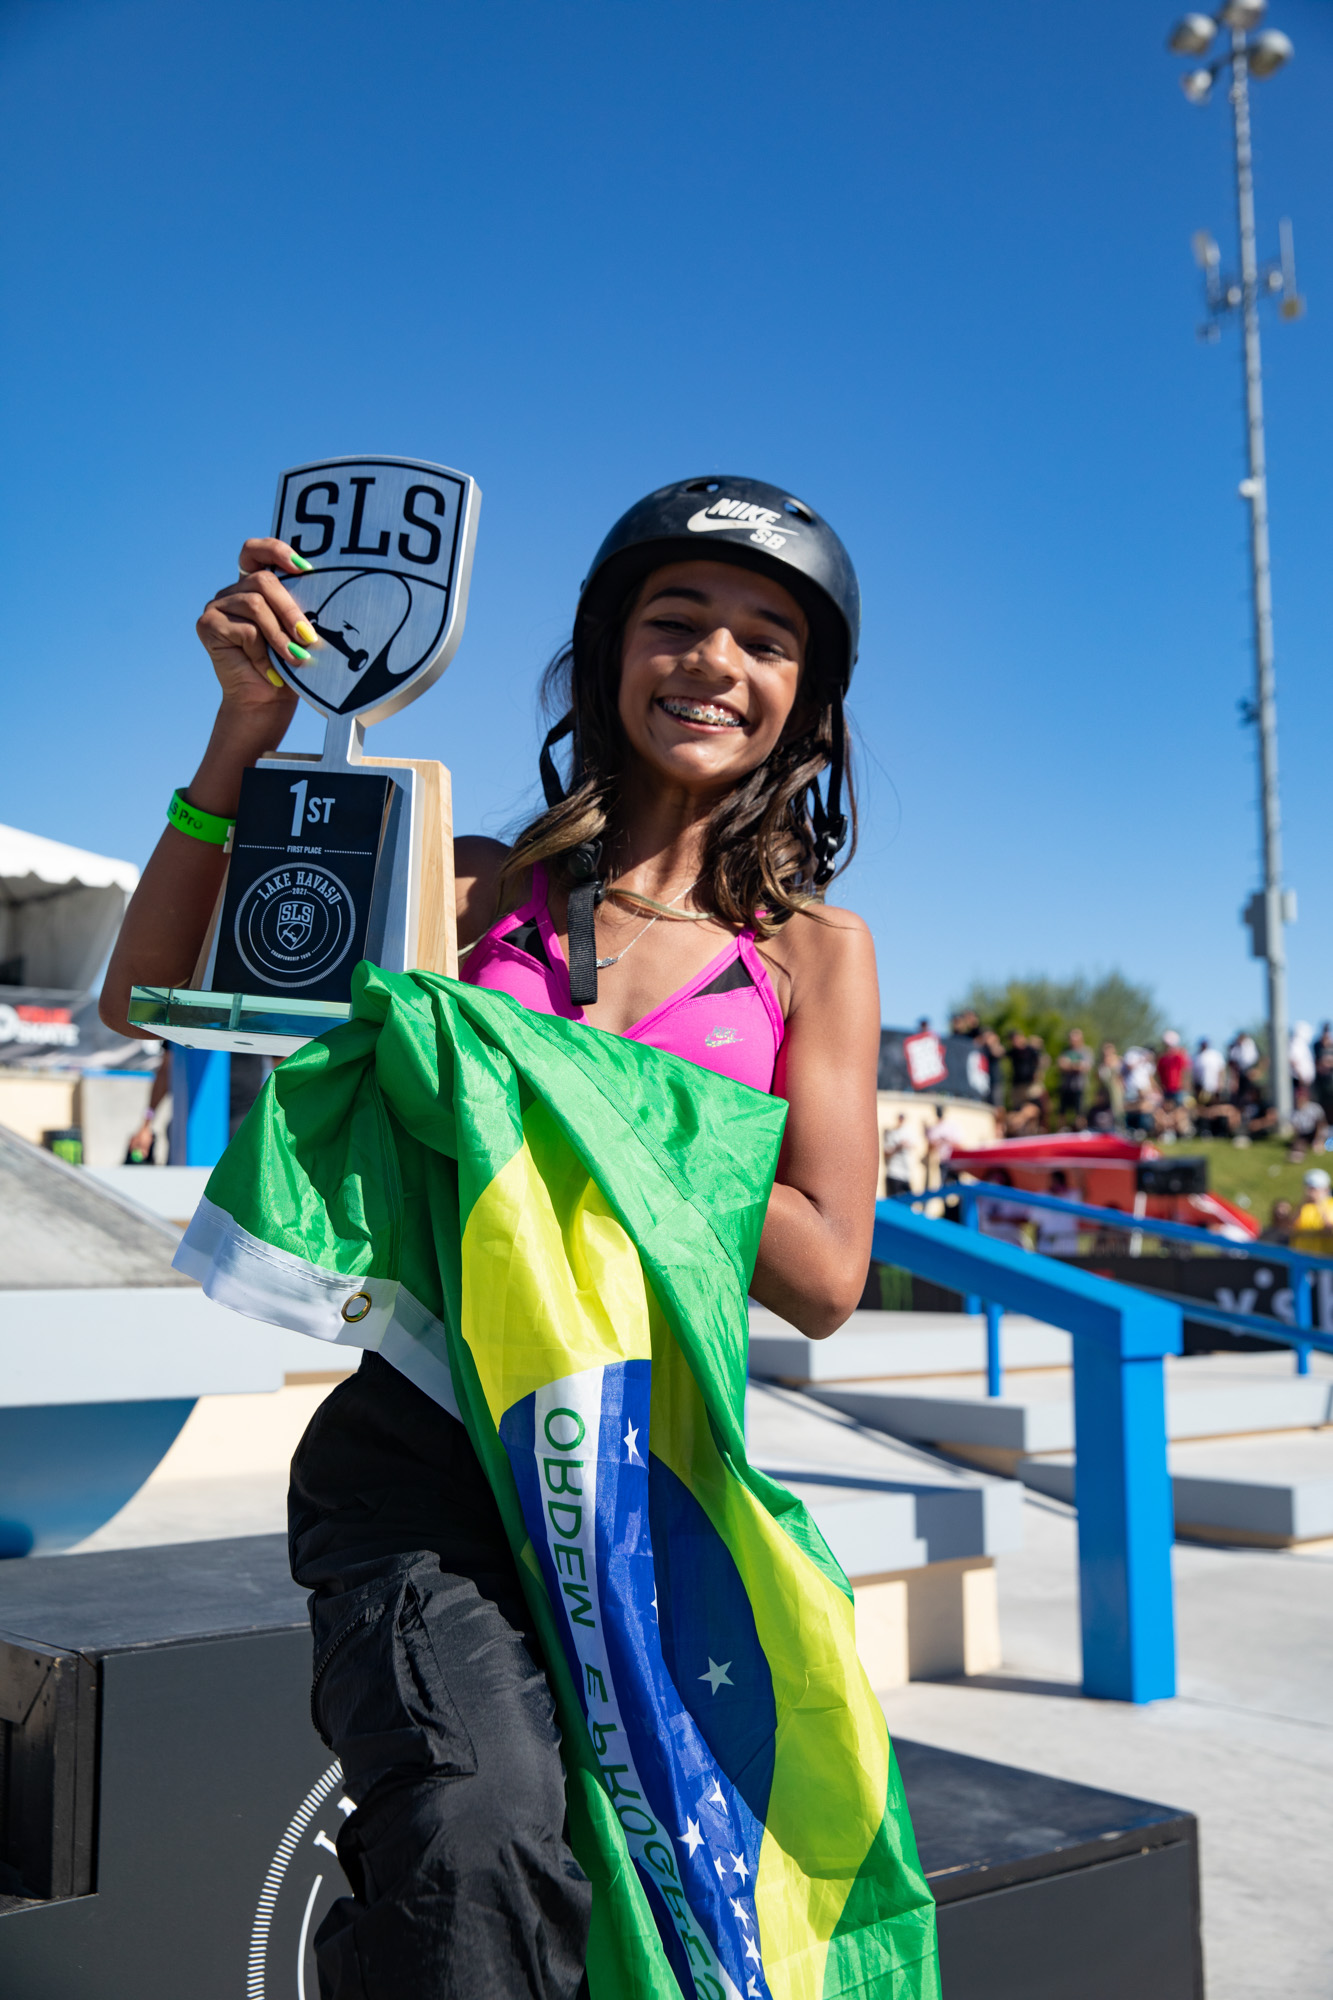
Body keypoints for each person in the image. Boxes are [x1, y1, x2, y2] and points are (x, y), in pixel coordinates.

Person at [100, 477, 901, 1999]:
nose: (715, 660)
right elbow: (147, 1000)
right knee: (476, 1832)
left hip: (647, 1486)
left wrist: (572, 1089)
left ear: (807, 702)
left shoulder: (815, 954)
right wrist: (242, 739)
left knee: (642, 1911)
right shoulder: (462, 883)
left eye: (766, 637)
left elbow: (824, 1272)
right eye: (675, 621)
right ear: (606, 655)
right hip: (428, 1451)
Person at [1291, 1168, 1333, 1255]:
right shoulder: (1303, 1206)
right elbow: (1288, 1228)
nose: (1310, 1192)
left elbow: (1329, 1231)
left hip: (1323, 1259)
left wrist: (1319, 1205)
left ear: (1326, 1189)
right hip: (1299, 1256)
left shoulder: (1331, 1205)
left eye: (1314, 1189)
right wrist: (1301, 1205)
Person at [1056, 1026, 1091, 1128]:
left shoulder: (1085, 1051)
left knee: (1080, 1112)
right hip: (1065, 1086)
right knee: (1062, 1112)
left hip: (1079, 1087)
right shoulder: (1065, 1051)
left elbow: (1084, 1067)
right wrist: (1075, 1065)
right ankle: (1061, 1132)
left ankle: (1081, 1131)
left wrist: (1069, 1065)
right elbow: (1060, 1065)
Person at [882, 1111, 917, 1194]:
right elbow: (886, 1153)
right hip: (894, 1172)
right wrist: (898, 1147)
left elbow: (915, 1146)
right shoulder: (892, 1134)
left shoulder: (909, 1132)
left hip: (906, 1174)